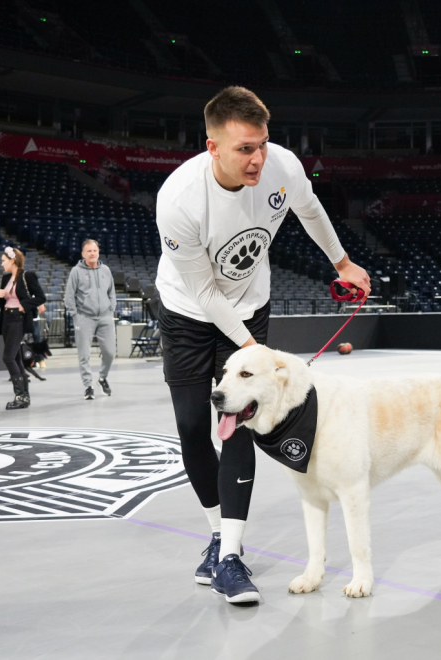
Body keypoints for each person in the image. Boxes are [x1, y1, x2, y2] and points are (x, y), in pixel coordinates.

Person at [155, 86, 370, 603]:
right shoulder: (178, 200)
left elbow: (310, 208)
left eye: (262, 145)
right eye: (244, 149)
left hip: (250, 304)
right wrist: (257, 353)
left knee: (240, 425)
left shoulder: (282, 166)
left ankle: (230, 556)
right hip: (188, 313)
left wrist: (341, 262)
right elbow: (204, 290)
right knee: (192, 427)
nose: (257, 159)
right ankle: (214, 533)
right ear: (212, 147)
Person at [0, 246, 46, 410]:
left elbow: (40, 297)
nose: (2, 264)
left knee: (8, 357)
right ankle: (24, 396)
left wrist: (24, 305)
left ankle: (20, 395)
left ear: (12, 260)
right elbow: (1, 304)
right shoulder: (5, 278)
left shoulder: (27, 276)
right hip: (7, 318)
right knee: (15, 358)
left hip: (19, 319)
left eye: (3, 261)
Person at [64, 239, 116, 400]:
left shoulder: (106, 270)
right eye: (89, 251)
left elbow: (111, 292)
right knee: (84, 354)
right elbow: (69, 296)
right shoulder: (76, 271)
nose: (92, 253)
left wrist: (111, 308)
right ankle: (88, 386)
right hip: (85, 318)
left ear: (98, 252)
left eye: (95, 250)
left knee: (110, 352)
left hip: (105, 317)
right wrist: (75, 315)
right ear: (83, 254)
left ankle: (102, 378)